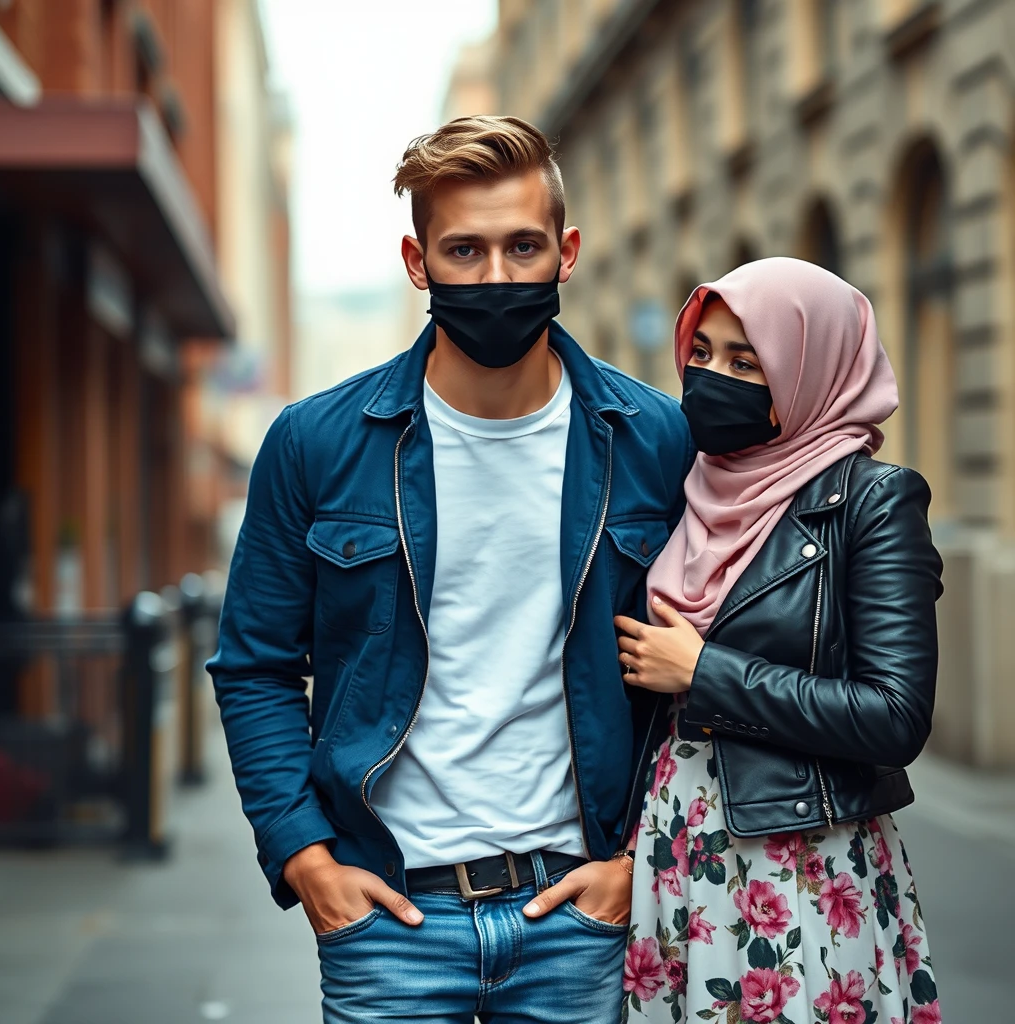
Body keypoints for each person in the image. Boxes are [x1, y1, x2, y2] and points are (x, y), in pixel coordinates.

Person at [207, 115, 695, 1023]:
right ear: (417, 260)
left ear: (568, 251)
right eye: (465, 250)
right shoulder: (316, 444)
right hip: (388, 914)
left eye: (523, 246)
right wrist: (305, 857)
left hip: (576, 912)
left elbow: (692, 669)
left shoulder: (654, 439)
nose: (498, 277)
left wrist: (640, 862)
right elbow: (255, 668)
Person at [614, 257, 944, 1024]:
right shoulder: (684, 486)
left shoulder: (871, 502)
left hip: (797, 862)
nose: (710, 378)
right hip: (676, 849)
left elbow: (895, 715)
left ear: (808, 370)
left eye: (744, 360)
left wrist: (704, 671)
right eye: (700, 354)